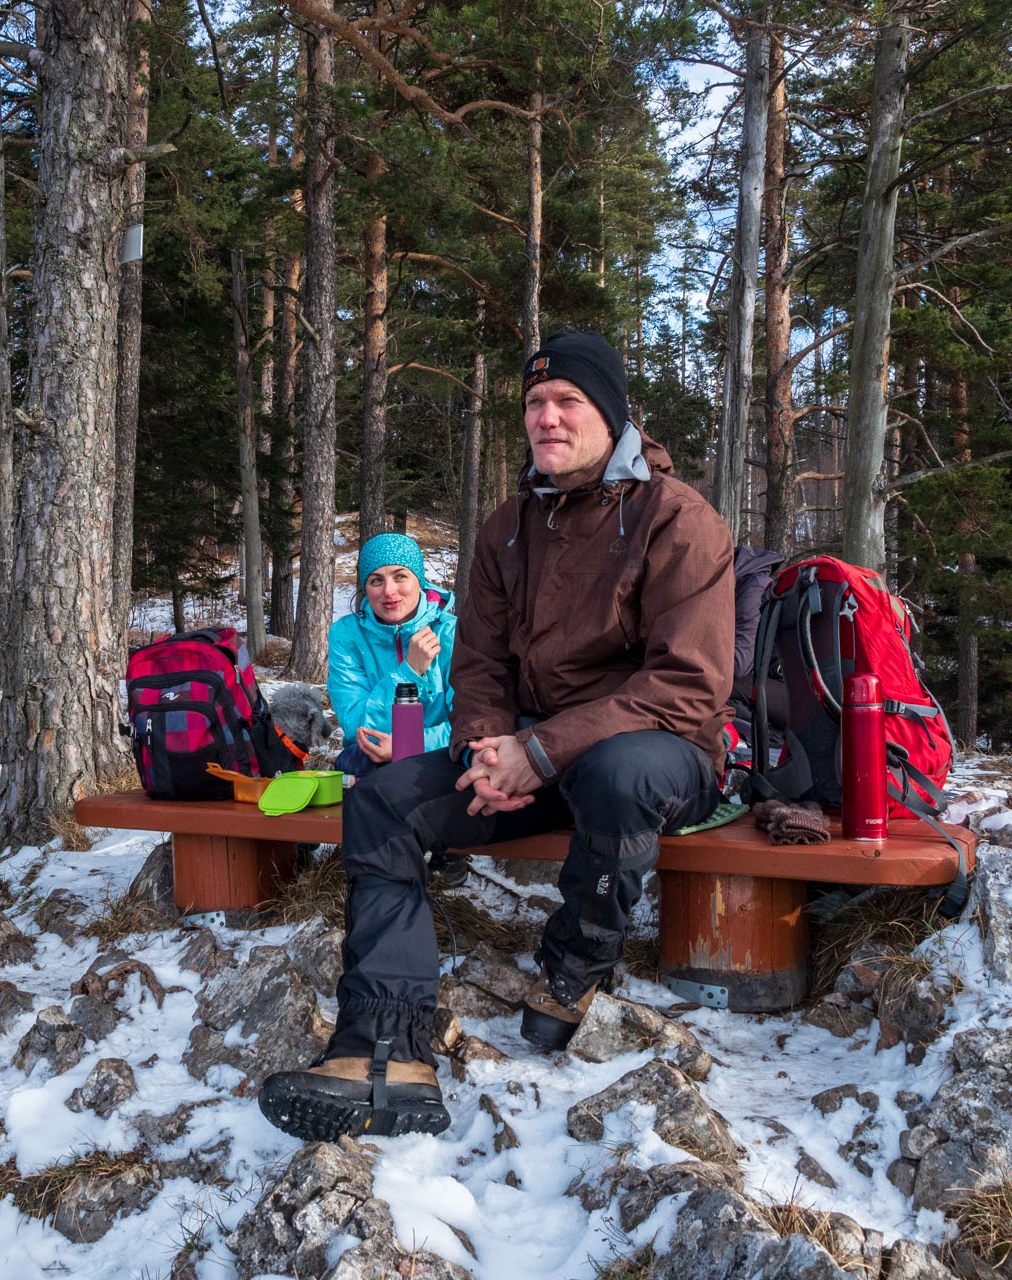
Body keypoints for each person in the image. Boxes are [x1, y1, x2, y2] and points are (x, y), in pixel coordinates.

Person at [256, 331, 736, 1142]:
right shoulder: (509, 526)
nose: (546, 418)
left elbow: (689, 683)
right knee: (383, 802)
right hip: (526, 754)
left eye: (567, 403)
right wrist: (486, 748)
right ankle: (387, 1039)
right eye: (533, 405)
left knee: (617, 774)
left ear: (611, 415)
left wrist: (536, 753)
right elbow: (478, 663)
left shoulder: (676, 518)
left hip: (665, 745)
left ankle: (574, 966)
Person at [326, 533, 457, 780]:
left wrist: (405, 747)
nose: (389, 591)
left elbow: (469, 725)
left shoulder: (451, 632)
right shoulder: (347, 635)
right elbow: (358, 728)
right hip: (372, 757)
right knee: (357, 761)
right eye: (376, 580)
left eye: (400, 576)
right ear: (365, 588)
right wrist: (409, 672)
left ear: (419, 580)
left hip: (440, 756)